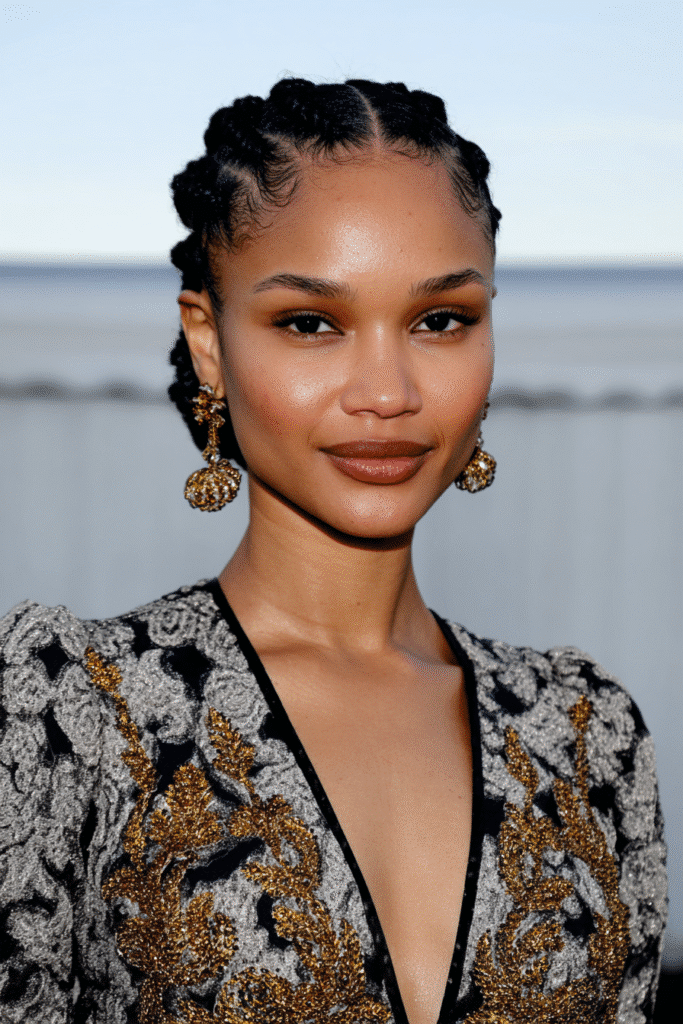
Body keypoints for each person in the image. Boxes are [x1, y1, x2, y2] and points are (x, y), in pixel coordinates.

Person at [0, 78, 667, 1024]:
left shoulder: (585, 735)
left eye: (440, 320)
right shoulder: (72, 711)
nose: (387, 391)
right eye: (311, 324)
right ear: (210, 343)